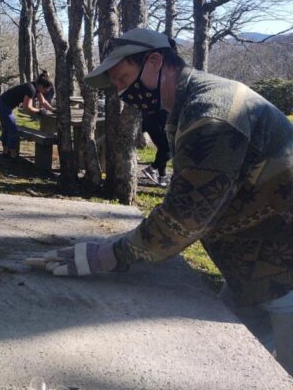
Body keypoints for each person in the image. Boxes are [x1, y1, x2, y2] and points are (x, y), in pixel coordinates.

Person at [27, 27, 293, 375]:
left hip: (284, 270)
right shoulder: (189, 105)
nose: (122, 92)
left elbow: (187, 217)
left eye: (123, 79)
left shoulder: (210, 114)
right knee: (232, 367)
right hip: (256, 269)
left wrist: (112, 254)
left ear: (154, 61)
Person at [0, 74, 55, 158]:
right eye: (45, 89)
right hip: (3, 105)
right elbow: (27, 107)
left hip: (1, 103)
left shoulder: (35, 87)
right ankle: (13, 155)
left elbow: (43, 102)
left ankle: (6, 152)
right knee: (13, 130)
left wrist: (53, 110)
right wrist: (39, 111)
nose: (45, 92)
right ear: (41, 86)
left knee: (7, 128)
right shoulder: (31, 89)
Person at [141, 108, 170, 187]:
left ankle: (162, 177)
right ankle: (151, 169)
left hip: (152, 122)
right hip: (157, 122)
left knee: (162, 150)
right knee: (169, 149)